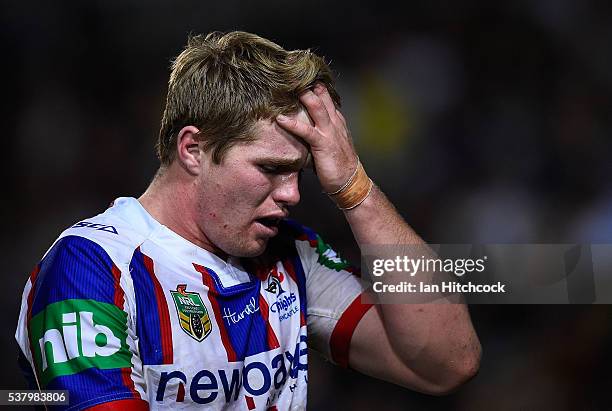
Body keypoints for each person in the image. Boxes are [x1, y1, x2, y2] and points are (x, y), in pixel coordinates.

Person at [16, 31, 481, 410]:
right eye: (271, 168)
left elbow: (447, 361)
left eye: (302, 172)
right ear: (193, 149)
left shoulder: (290, 254)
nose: (293, 194)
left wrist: (354, 188)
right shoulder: (90, 267)